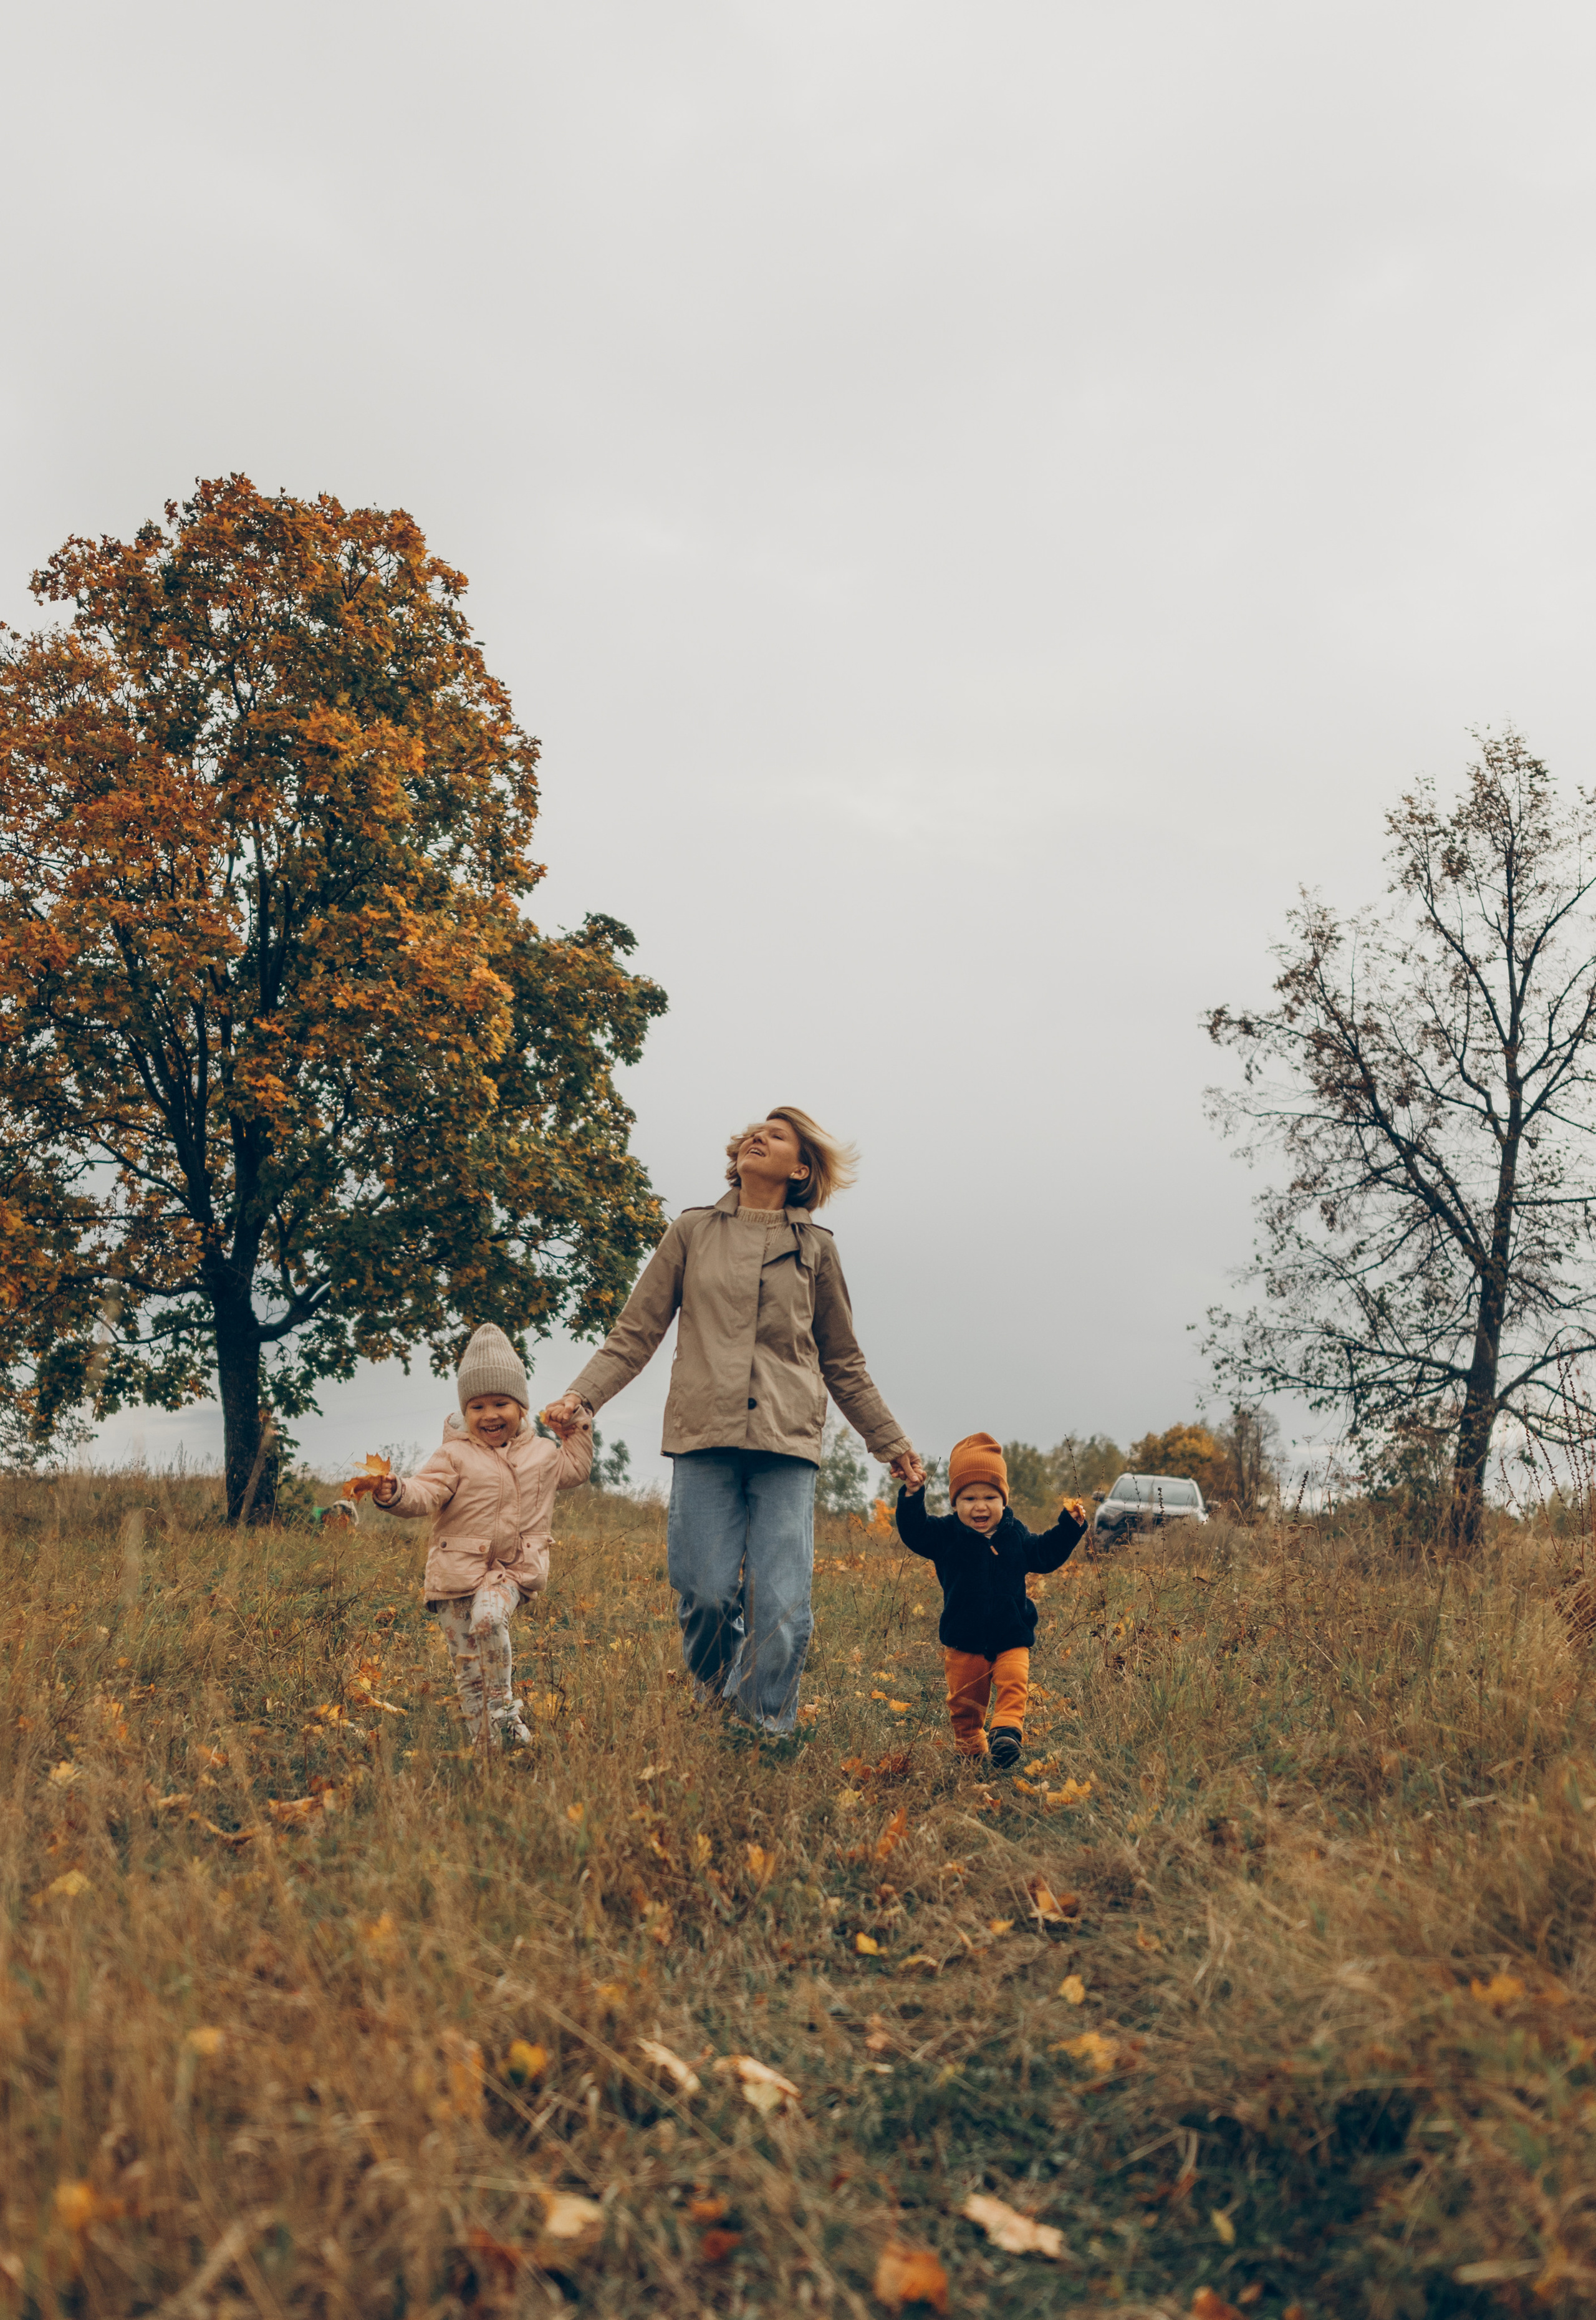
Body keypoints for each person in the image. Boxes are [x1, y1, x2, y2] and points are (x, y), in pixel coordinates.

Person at [542, 1108, 923, 1735]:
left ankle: (764, 1726)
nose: (756, 1136)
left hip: (786, 1439)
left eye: (775, 1136)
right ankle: (718, 1692)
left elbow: (843, 1360)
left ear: (799, 1168)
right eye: (753, 1131)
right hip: (702, 1433)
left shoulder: (818, 1250)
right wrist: (584, 1396)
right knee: (706, 1593)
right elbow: (636, 1331)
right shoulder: (692, 1231)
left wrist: (890, 1442)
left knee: (779, 1604)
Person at [373, 1323, 592, 1746]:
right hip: (454, 1575)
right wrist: (395, 1491)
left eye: (500, 1403)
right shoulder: (454, 1454)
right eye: (477, 1406)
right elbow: (424, 1493)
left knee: (490, 1619)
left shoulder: (544, 1455)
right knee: (468, 1668)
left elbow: (577, 1469)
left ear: (521, 1406)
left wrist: (574, 1425)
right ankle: (488, 1749)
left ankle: (505, 1713)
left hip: (510, 1570)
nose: (489, 1414)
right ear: (465, 1411)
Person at [895, 1432, 1086, 1769]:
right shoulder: (946, 1535)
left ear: (1004, 1501)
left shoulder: (1015, 1534)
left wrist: (1068, 1529)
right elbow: (915, 1532)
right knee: (965, 1704)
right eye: (968, 1498)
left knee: (1015, 1682)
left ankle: (1006, 1732)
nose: (980, 1506)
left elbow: (1044, 1555)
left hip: (1011, 1634)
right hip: (963, 1638)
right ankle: (970, 1750)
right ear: (955, 1503)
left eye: (989, 1497)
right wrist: (912, 1495)